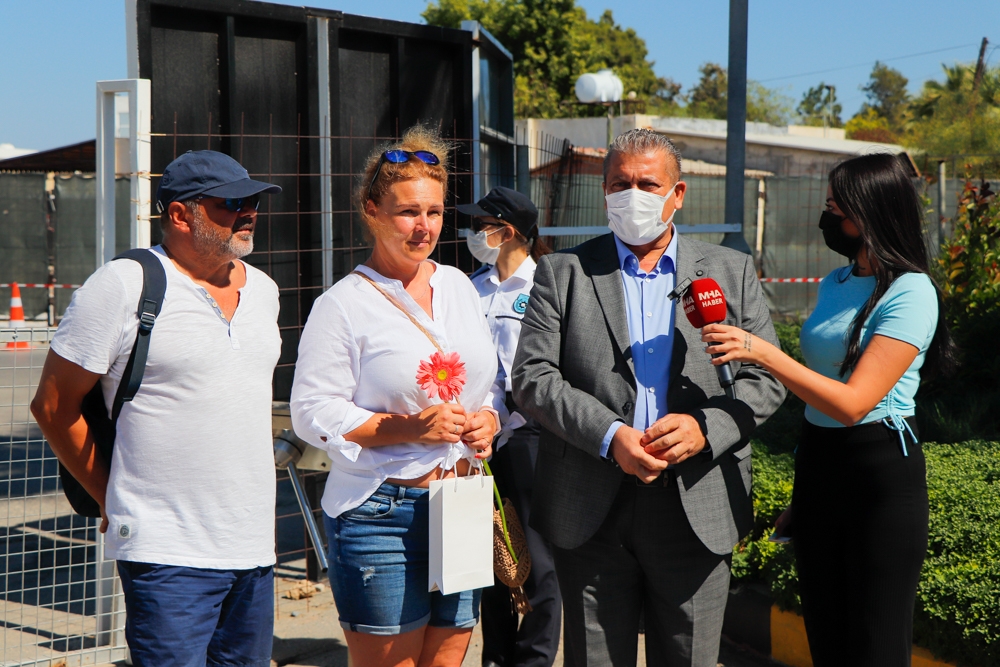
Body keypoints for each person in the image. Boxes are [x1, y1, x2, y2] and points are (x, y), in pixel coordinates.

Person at [511, 128, 786, 667]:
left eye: (646, 183)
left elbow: (766, 378)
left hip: (697, 501)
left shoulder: (728, 271)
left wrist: (705, 428)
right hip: (591, 504)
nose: (631, 195)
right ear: (603, 190)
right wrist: (611, 436)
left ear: (677, 194)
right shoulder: (562, 272)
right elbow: (532, 377)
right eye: (619, 184)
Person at [700, 152, 956, 667]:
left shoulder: (912, 292)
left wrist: (762, 352)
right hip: (820, 464)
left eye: (837, 208)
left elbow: (852, 404)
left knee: (875, 643)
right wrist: (808, 490)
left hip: (878, 471)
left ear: (874, 212)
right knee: (828, 639)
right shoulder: (835, 283)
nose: (827, 218)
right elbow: (821, 404)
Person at [30, 150, 283, 666]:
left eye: (253, 200)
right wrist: (110, 495)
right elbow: (53, 405)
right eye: (232, 201)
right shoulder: (124, 284)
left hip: (255, 548)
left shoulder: (265, 291)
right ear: (180, 214)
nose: (249, 211)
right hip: (167, 554)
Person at [289, 127, 506, 667]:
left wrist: (489, 418)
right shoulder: (343, 305)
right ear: (372, 210)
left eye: (434, 212)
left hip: (460, 501)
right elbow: (312, 412)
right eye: (409, 212)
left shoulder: (459, 285)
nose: (424, 226)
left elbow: (493, 378)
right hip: (382, 512)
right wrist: (411, 427)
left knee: (448, 659)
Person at [457, 186, 561, 667]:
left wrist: (508, 419)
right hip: (476, 440)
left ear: (509, 231)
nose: (475, 234)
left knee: (538, 562)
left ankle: (534, 660)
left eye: (483, 226)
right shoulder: (470, 288)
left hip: (528, 436)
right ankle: (495, 657)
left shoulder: (546, 285)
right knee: (489, 556)